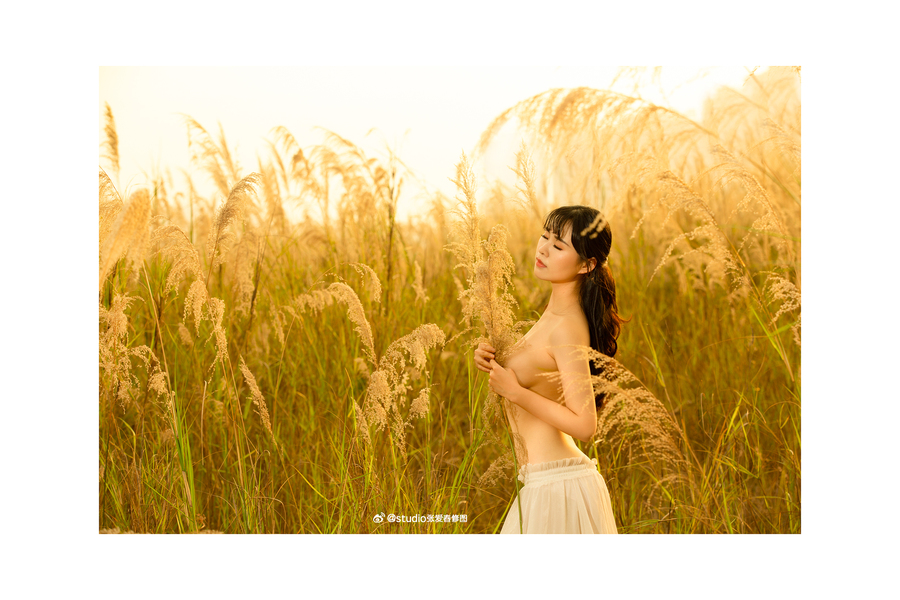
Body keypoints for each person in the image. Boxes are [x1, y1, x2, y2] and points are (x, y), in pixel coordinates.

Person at [473, 205, 624, 534]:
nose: (543, 249)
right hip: (542, 483)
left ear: (586, 265)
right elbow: (540, 376)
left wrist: (515, 392)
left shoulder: (567, 327)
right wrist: (489, 357)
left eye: (558, 246)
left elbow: (585, 425)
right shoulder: (552, 317)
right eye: (545, 237)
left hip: (558, 486)